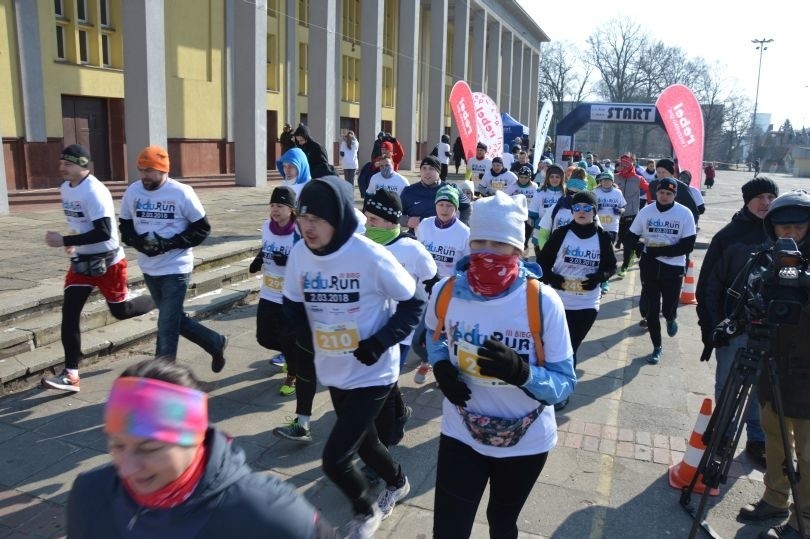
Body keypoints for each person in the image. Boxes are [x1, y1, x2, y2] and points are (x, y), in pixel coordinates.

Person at [424, 191, 576, 538]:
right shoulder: (447, 291)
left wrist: (522, 373)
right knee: (448, 530)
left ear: (518, 249)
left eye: (500, 243)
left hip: (525, 440)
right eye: (479, 242)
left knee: (501, 523)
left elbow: (564, 384)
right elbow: (434, 340)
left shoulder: (542, 301)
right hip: (461, 432)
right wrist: (442, 368)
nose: (487, 252)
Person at [280, 176, 425, 537]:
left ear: (339, 218)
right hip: (335, 368)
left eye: (318, 219)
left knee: (335, 458)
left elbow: (413, 302)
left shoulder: (370, 255)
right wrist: (302, 337)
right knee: (365, 440)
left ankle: (365, 512)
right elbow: (292, 303)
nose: (308, 227)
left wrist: (378, 342)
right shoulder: (300, 253)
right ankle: (398, 480)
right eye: (304, 217)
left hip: (374, 370)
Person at [66, 357, 336, 538]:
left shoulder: (269, 513)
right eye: (117, 445)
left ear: (194, 438)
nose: (126, 468)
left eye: (149, 448)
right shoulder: (90, 494)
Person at [41, 145, 156, 393]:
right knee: (69, 313)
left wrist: (65, 240)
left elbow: (103, 231)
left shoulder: (94, 191)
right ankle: (71, 374)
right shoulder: (65, 189)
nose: (62, 168)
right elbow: (79, 223)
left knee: (121, 311)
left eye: (68, 164)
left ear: (84, 166)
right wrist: (72, 242)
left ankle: (159, 298)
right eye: (61, 163)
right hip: (82, 263)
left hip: (108, 262)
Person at [736, 190, 810, 539]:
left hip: (807, 373)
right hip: (773, 366)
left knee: (809, 455)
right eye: (783, 229)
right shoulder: (767, 260)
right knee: (775, 440)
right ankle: (775, 498)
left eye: (798, 228)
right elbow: (753, 300)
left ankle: (803, 520)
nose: (790, 236)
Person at [119, 146, 228, 372]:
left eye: (149, 171)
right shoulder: (133, 192)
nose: (144, 176)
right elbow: (125, 226)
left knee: (166, 325)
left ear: (163, 170)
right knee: (174, 320)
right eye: (141, 170)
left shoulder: (182, 193)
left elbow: (201, 229)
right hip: (149, 267)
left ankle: (160, 378)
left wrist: (167, 244)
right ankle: (215, 342)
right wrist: (139, 243)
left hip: (176, 268)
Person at [696, 177, 779, 469]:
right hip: (734, 329)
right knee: (728, 386)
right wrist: (712, 326)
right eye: (760, 197)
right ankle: (722, 438)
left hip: (771, 331)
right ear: (747, 200)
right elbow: (708, 287)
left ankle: (757, 440)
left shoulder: (782, 234)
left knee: (761, 388)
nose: (766, 203)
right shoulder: (728, 236)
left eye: (771, 197)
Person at [363, 189, 437, 447]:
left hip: (400, 332)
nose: (367, 224)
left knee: (383, 383)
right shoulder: (361, 244)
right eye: (366, 218)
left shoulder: (412, 249)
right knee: (385, 382)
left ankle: (387, 437)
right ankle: (399, 414)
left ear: (390, 221)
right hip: (369, 328)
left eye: (373, 220)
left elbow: (431, 279)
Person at [538, 189, 616, 409]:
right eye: (577, 208)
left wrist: (599, 277)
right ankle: (547, 383)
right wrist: (553, 278)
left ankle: (563, 392)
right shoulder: (561, 233)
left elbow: (611, 266)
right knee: (550, 346)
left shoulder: (602, 237)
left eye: (586, 208)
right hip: (558, 300)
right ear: (572, 211)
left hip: (586, 303)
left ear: (594, 211)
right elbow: (543, 262)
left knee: (569, 347)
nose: (581, 212)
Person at [625, 178, 697, 364]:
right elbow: (631, 236)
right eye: (662, 193)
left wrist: (661, 251)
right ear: (656, 193)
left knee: (667, 308)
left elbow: (688, 245)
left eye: (669, 194)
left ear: (674, 195)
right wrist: (639, 249)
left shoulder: (684, 213)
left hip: (673, 268)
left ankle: (671, 318)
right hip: (649, 266)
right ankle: (657, 346)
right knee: (651, 309)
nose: (664, 197)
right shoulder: (646, 211)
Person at [413, 186, 471, 384]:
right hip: (424, 289)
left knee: (447, 333)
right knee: (421, 334)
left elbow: (467, 266)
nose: (444, 209)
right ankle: (427, 359)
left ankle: (445, 367)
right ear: (435, 205)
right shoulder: (425, 225)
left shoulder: (464, 233)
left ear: (455, 207)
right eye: (440, 204)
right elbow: (417, 255)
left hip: (449, 292)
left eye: (449, 205)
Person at [248, 186, 302, 396]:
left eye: (280, 205)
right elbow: (266, 246)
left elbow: (307, 259)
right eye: (272, 205)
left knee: (288, 337)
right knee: (264, 337)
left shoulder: (299, 231)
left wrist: (288, 261)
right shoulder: (266, 227)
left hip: (290, 295)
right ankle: (294, 354)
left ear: (291, 209)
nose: (275, 210)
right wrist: (259, 258)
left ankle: (293, 373)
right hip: (269, 291)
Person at [401, 156, 471, 229]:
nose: (427, 172)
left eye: (431, 168)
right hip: (416, 238)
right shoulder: (408, 191)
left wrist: (462, 224)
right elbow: (397, 214)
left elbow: (467, 207)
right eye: (424, 168)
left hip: (445, 236)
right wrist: (407, 220)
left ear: (439, 172)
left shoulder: (452, 189)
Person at [614, 154, 647, 277]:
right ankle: (637, 248)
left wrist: (652, 205)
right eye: (622, 164)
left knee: (627, 242)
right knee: (622, 239)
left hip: (632, 215)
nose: (624, 166)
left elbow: (649, 189)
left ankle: (624, 265)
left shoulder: (638, 179)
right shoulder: (615, 177)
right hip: (617, 215)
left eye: (627, 164)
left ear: (632, 163)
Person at [593, 171, 625, 294]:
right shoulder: (595, 192)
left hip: (612, 227)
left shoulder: (617, 193)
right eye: (604, 180)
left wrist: (619, 210)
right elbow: (588, 206)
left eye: (608, 180)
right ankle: (597, 278)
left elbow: (623, 207)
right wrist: (596, 207)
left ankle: (604, 281)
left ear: (612, 181)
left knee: (606, 254)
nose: (606, 182)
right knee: (597, 253)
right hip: (598, 226)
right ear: (600, 181)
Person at [505, 165, 539, 249]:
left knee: (526, 238)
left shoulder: (534, 187)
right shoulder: (512, 186)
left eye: (526, 178)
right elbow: (505, 199)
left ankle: (524, 251)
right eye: (521, 177)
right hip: (516, 215)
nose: (523, 180)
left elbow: (537, 201)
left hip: (529, 215)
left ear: (529, 178)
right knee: (516, 237)